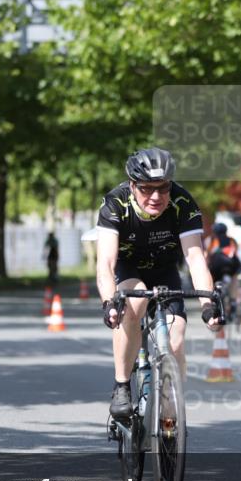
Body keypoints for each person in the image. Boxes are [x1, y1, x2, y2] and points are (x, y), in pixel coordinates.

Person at [96, 147, 223, 420]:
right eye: (146, 189)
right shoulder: (115, 204)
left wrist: (208, 304)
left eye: (163, 188)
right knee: (136, 299)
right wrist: (109, 303)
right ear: (132, 185)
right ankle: (121, 386)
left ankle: (170, 416)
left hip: (166, 271)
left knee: (176, 339)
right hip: (128, 269)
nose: (156, 196)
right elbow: (105, 263)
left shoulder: (182, 203)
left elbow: (196, 259)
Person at [207, 222, 241, 315]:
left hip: (217, 266)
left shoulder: (213, 240)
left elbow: (208, 255)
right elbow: (236, 252)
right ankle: (233, 302)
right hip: (232, 264)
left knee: (211, 278)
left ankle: (213, 300)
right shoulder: (232, 240)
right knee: (234, 278)